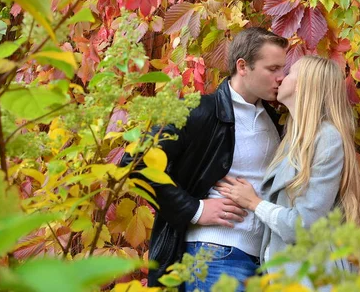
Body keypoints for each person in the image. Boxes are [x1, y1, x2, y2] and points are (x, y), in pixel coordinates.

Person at [122, 27, 288, 290]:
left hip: (265, 261)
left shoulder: (275, 117)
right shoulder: (199, 110)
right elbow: (135, 162)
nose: (282, 77)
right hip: (215, 255)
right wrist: (196, 210)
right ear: (242, 66)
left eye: (283, 69)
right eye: (273, 69)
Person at [215, 55, 360, 287]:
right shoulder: (292, 140)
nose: (281, 78)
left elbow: (304, 225)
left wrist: (253, 203)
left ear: (304, 85)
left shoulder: (327, 138)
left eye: (289, 74)